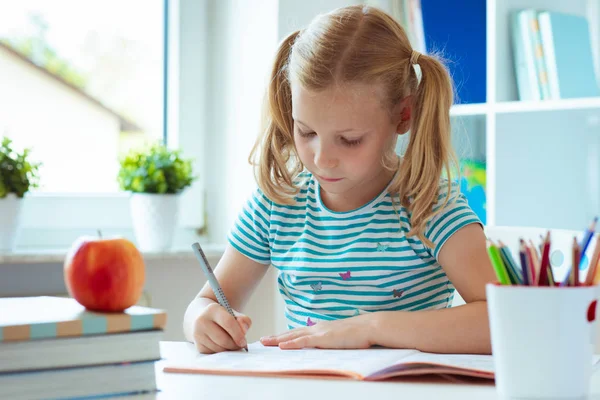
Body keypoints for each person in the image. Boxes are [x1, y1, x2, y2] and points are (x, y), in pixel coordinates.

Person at [183, 5, 496, 355]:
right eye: (306, 132)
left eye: (349, 140)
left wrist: (371, 327)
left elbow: (500, 320)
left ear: (403, 115)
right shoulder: (277, 202)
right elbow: (205, 303)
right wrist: (201, 320)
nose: (321, 158)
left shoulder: (428, 203)